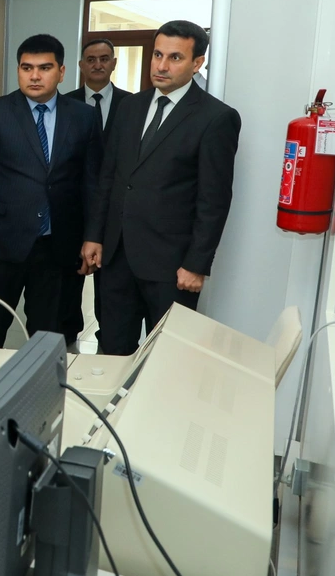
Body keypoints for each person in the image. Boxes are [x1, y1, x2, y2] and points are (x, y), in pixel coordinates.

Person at [83, 20, 241, 355]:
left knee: (168, 357)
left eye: (175, 58)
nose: (162, 65)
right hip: (117, 257)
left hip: (172, 267)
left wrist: (196, 264)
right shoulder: (129, 107)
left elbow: (213, 200)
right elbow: (109, 177)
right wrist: (94, 235)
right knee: (112, 350)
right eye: (157, 55)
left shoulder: (215, 118)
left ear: (197, 63)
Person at [0, 34, 102, 362]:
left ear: (62, 71)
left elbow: (92, 182)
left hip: (58, 247)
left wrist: (92, 236)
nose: (35, 76)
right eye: (27, 68)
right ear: (18, 70)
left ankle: (41, 393)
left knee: (47, 340)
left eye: (44, 68)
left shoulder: (83, 116)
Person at [60, 38, 133, 348]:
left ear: (114, 63)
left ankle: (108, 340)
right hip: (73, 210)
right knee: (67, 287)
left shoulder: (133, 106)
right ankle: (68, 340)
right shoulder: (64, 104)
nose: (98, 64)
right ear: (81, 65)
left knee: (111, 290)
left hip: (117, 212)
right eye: (91, 59)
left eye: (104, 58)